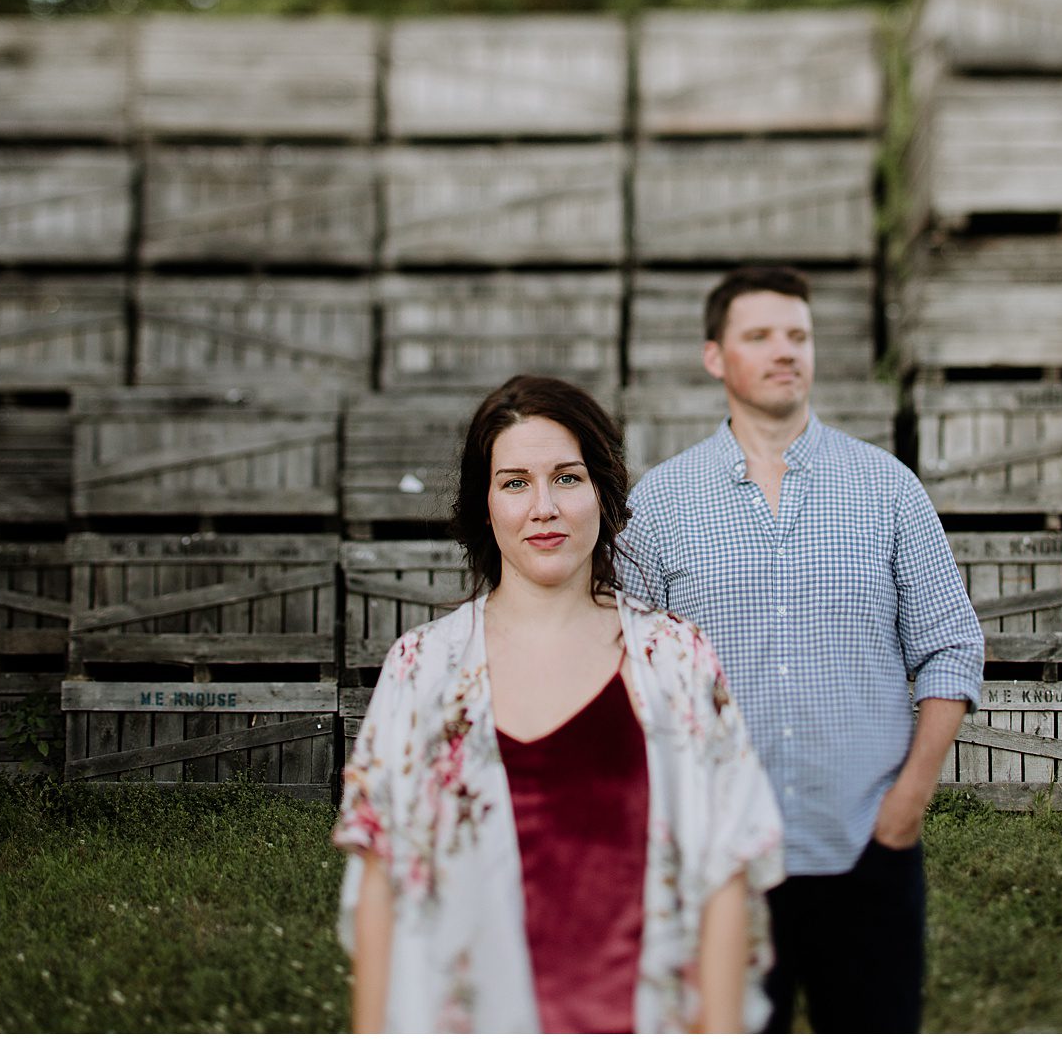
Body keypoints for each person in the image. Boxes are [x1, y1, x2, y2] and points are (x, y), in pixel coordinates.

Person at [331, 374, 785, 1033]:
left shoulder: (677, 658)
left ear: (602, 492)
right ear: (484, 504)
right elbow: (378, 883)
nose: (543, 505)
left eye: (566, 478)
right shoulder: (420, 669)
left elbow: (726, 875)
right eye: (515, 482)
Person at [617, 266, 985, 1033]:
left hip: (867, 845)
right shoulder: (659, 504)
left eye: (798, 335)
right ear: (715, 356)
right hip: (722, 861)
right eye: (760, 336)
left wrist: (907, 806)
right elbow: (625, 669)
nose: (785, 351)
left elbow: (950, 647)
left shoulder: (887, 488)